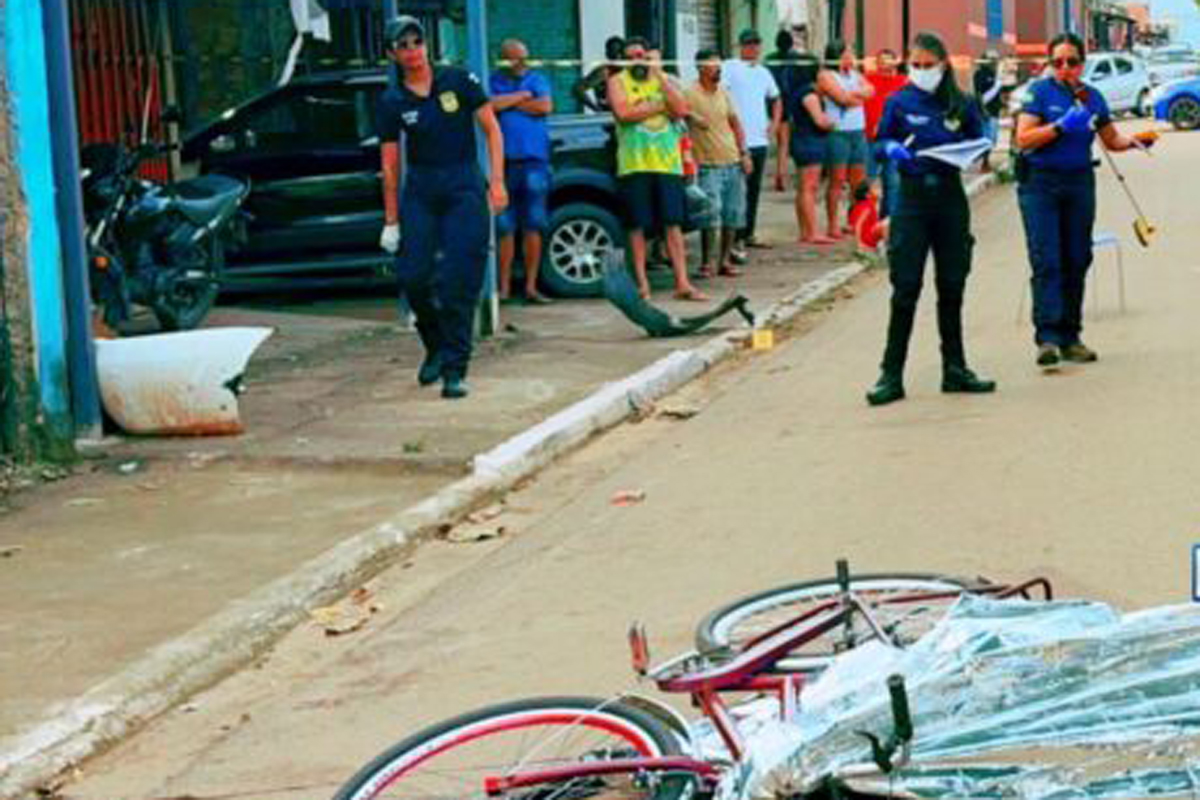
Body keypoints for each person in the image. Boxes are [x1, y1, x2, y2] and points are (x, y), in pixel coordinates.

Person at [377, 16, 508, 400]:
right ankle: (433, 342)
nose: (413, 51)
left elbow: (491, 129)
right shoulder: (392, 100)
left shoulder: (458, 80)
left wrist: (497, 181)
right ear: (392, 54)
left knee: (459, 281)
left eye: (417, 42)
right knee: (412, 275)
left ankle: (455, 368)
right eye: (403, 46)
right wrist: (391, 220)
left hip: (464, 186)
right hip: (422, 189)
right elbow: (388, 164)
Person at [866, 31, 996, 407]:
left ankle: (955, 368)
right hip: (912, 198)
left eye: (929, 65)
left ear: (943, 65)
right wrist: (889, 148)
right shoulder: (899, 101)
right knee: (905, 287)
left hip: (949, 195)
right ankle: (890, 374)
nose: (922, 71)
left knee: (952, 284)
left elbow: (980, 136)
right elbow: (879, 142)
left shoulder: (959, 102)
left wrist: (973, 150)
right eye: (916, 65)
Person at [1014, 32, 1157, 370]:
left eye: (1072, 62)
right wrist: (1061, 126)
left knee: (1077, 256)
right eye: (1058, 62)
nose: (1065, 68)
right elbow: (1024, 139)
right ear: (1050, 64)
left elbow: (1111, 139)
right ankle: (1047, 338)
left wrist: (1136, 141)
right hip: (1040, 184)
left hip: (1079, 182)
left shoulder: (1093, 97)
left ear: (1082, 62)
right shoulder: (1038, 92)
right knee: (1047, 258)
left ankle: (1070, 336)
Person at [607, 37, 707, 302]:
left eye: (641, 54)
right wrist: (661, 106)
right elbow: (623, 114)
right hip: (635, 164)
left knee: (673, 224)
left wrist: (659, 78)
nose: (637, 60)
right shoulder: (618, 82)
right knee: (637, 226)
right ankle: (642, 285)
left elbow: (682, 109)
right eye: (631, 57)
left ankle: (682, 283)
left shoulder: (664, 79)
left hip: (666, 164)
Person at [490, 38, 554, 305]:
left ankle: (530, 286)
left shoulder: (538, 79)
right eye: (514, 57)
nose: (521, 62)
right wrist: (521, 97)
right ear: (503, 58)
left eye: (523, 57)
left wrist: (509, 103)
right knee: (504, 228)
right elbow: (489, 106)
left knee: (533, 225)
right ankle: (503, 288)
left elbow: (545, 107)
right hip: (503, 165)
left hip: (533, 163)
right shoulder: (494, 79)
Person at [685, 48, 753, 279]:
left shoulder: (723, 93)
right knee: (710, 214)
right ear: (701, 68)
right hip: (707, 164)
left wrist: (744, 153)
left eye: (719, 65)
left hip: (732, 160)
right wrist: (693, 118)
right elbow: (678, 113)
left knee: (733, 214)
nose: (718, 70)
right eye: (713, 66)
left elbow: (736, 124)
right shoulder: (690, 93)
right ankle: (707, 262)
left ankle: (725, 260)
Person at [723, 29, 783, 258]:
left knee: (754, 190)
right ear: (741, 46)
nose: (754, 49)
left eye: (757, 44)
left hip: (759, 138)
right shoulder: (730, 67)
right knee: (738, 190)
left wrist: (775, 123)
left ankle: (748, 232)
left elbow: (776, 99)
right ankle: (735, 236)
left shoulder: (764, 72)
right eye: (749, 44)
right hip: (738, 138)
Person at [818, 40, 873, 241]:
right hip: (838, 132)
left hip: (858, 131)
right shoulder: (826, 75)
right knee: (837, 180)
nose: (852, 56)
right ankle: (833, 224)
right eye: (848, 53)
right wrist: (856, 96)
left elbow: (870, 91)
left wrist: (853, 95)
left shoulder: (855, 75)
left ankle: (853, 220)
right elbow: (842, 99)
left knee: (858, 182)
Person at [786, 57, 835, 245]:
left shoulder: (799, 92)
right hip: (810, 142)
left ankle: (805, 231)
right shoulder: (810, 95)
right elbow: (820, 121)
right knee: (809, 187)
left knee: (804, 188)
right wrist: (832, 123)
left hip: (801, 141)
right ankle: (812, 231)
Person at [864, 48, 907, 219]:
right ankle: (864, 218)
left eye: (889, 60)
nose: (885, 64)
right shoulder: (867, 80)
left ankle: (889, 219)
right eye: (882, 60)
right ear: (876, 63)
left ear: (895, 62)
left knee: (893, 182)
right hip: (870, 138)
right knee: (867, 181)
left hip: (893, 139)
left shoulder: (903, 83)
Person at [767, 29, 802, 191]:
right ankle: (783, 176)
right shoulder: (797, 59)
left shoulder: (769, 60)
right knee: (786, 143)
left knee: (781, 142)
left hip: (773, 102)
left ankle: (780, 176)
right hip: (791, 103)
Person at [973, 50, 1005, 173]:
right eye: (992, 59)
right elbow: (978, 94)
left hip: (995, 111)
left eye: (995, 60)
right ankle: (984, 164)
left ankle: (985, 161)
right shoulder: (979, 74)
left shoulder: (996, 75)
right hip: (985, 112)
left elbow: (999, 94)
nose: (994, 62)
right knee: (987, 139)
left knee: (993, 139)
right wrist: (983, 111)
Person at [575, 35, 625, 113]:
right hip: (610, 119)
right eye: (613, 52)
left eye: (620, 52)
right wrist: (596, 109)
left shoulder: (629, 70)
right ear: (607, 54)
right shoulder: (603, 71)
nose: (617, 56)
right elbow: (577, 89)